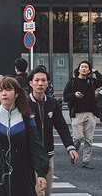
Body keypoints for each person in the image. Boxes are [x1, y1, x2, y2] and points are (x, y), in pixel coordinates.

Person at [0, 77, 49, 196]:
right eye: (0, 91)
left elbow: (35, 146)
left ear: (16, 93)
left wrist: (41, 173)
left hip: (21, 173)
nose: (4, 94)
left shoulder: (26, 117)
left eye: (8, 90)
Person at [28, 67, 79, 196]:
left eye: (43, 80)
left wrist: (70, 146)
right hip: (28, 155)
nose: (40, 83)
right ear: (31, 83)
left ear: (48, 83)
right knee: (34, 191)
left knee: (46, 191)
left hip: (47, 154)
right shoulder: (24, 103)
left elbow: (61, 126)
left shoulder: (53, 103)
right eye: (37, 80)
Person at [63, 60, 102, 169]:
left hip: (90, 113)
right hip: (77, 114)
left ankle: (86, 161)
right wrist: (74, 94)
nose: (84, 68)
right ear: (79, 69)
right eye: (82, 66)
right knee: (78, 138)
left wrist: (96, 72)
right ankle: (73, 153)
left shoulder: (91, 82)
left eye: (86, 67)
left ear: (89, 70)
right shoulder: (72, 82)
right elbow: (65, 96)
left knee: (89, 139)